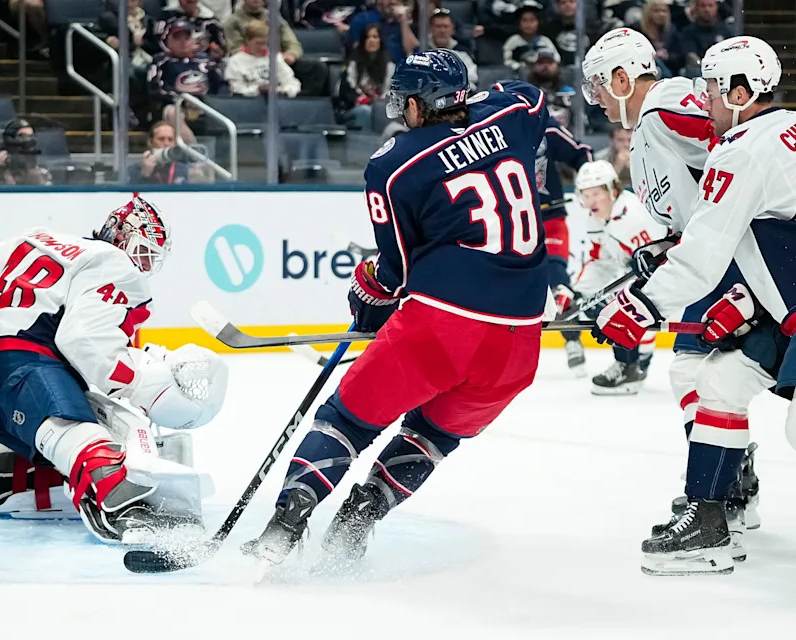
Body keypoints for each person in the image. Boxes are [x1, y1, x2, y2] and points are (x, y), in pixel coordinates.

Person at [242, 50, 551, 567]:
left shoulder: (393, 164)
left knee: (346, 421)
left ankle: (285, 524)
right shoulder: (512, 114)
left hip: (444, 325)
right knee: (432, 436)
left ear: (418, 102)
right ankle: (358, 520)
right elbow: (532, 94)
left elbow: (399, 270)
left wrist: (368, 291)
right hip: (520, 344)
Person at [592, 36, 791, 575]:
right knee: (718, 381)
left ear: (740, 91)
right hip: (769, 291)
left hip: (748, 281)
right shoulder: (773, 134)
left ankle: (722, 501)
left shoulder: (737, 145)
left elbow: (708, 244)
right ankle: (712, 513)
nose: (702, 100)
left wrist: (642, 305)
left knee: (703, 376)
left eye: (711, 89)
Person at [0, 197, 228, 542]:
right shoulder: (115, 263)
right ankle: (116, 506)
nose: (144, 263)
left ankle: (24, 475)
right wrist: (138, 379)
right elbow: (83, 339)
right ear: (124, 237)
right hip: (27, 371)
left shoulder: (40, 238)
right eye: (145, 251)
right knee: (83, 431)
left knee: (73, 408)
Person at [572, 161, 668, 394]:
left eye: (596, 193)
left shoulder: (633, 215)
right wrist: (576, 291)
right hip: (647, 281)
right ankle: (636, 357)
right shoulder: (598, 219)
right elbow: (599, 262)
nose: (591, 201)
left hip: (669, 281)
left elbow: (659, 264)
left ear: (612, 190)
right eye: (586, 195)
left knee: (613, 306)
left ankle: (630, 365)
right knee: (596, 302)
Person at [534, 108, 591, 375]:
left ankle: (572, 339)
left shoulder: (544, 129)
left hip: (551, 217)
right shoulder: (494, 134)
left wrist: (590, 184)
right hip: (516, 222)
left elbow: (580, 153)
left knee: (557, 278)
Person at [224, 0, 328, 96]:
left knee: (318, 68)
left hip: (280, 59)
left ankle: (301, 102)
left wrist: (291, 54)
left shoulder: (274, 17)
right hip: (250, 62)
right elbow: (235, 48)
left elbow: (292, 41)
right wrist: (261, 53)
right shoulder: (233, 21)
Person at [147, 19, 227, 134]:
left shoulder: (206, 60)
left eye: (186, 37)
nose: (183, 42)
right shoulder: (161, 62)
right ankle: (192, 148)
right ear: (167, 41)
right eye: (177, 38)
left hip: (205, 105)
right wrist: (183, 99)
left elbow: (222, 85)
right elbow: (155, 90)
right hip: (176, 106)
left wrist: (215, 101)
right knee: (172, 113)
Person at [337, 24, 394, 130]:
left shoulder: (389, 66)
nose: (371, 40)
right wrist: (364, 100)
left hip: (381, 106)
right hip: (354, 108)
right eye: (368, 37)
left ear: (380, 41)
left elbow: (391, 92)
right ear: (363, 41)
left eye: (375, 37)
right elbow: (345, 93)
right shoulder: (352, 64)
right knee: (365, 111)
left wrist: (379, 103)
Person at [225, 20, 301, 98]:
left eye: (266, 43)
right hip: (249, 103)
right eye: (259, 43)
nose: (263, 47)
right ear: (247, 40)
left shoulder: (275, 58)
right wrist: (258, 90)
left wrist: (284, 91)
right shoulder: (235, 61)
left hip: (277, 101)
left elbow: (292, 82)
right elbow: (237, 90)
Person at [665, 0, 734, 76]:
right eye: (703, 6)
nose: (707, 9)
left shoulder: (726, 31)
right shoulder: (687, 32)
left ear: (716, 7)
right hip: (698, 69)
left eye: (710, 5)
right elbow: (691, 56)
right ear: (696, 8)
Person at [0, 119, 52, 186]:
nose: (29, 140)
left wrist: (35, 179)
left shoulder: (39, 165)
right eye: (23, 136)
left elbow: (48, 191)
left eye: (31, 136)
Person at [347, 0, 419, 63]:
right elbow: (356, 51)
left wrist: (403, 21)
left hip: (400, 72)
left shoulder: (405, 24)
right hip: (372, 71)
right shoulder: (362, 20)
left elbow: (414, 52)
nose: (393, 1)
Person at [154, 0, 227, 62]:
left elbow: (222, 49)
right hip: (172, 61)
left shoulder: (211, 21)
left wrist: (216, 51)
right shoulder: (166, 17)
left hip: (205, 63)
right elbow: (157, 44)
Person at [98, 0, 158, 69]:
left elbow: (156, 46)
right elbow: (100, 38)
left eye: (133, 0)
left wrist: (143, 43)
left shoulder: (149, 20)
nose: (130, 3)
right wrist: (113, 43)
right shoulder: (112, 20)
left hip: (149, 60)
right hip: (126, 61)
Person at [429, 10, 477, 89]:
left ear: (452, 29)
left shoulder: (462, 52)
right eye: (438, 26)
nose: (442, 31)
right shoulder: (422, 50)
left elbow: (473, 77)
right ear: (431, 29)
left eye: (445, 26)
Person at [502, 1, 556, 71]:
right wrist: (518, 67)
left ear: (539, 23)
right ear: (519, 23)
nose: (528, 24)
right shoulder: (513, 41)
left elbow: (556, 58)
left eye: (532, 20)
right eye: (524, 20)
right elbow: (506, 60)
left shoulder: (545, 41)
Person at [638, 0, 677, 77]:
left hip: (669, 65)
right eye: (656, 11)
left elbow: (679, 54)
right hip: (646, 66)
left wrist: (668, 56)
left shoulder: (672, 30)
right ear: (648, 13)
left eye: (664, 11)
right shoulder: (638, 30)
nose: (661, 14)